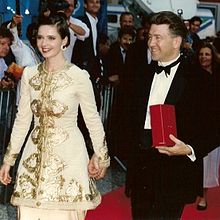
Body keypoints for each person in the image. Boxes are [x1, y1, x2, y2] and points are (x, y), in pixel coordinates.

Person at [0, 13, 110, 220]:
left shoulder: (78, 76)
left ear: (64, 40)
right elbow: (22, 120)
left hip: (70, 160)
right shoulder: (30, 75)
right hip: (33, 160)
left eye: (51, 38)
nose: (44, 43)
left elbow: (92, 119)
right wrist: (9, 159)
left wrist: (101, 155)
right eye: (40, 37)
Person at [125, 11, 219, 220]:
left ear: (176, 41)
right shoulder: (139, 74)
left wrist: (190, 148)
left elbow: (215, 126)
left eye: (158, 37)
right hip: (141, 169)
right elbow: (125, 119)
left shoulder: (200, 79)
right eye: (150, 36)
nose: (151, 43)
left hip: (175, 172)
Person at [193, 42, 220, 211]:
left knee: (210, 161)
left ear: (213, 56)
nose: (204, 57)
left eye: (207, 54)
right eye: (201, 54)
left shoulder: (218, 75)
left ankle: (203, 196)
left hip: (214, 125)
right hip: (196, 124)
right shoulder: (192, 75)